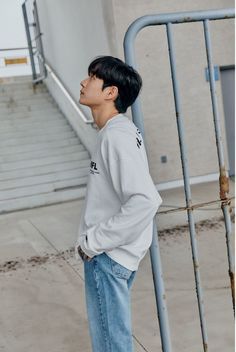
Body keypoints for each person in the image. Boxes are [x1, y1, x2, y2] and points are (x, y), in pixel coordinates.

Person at [75, 56, 162, 352]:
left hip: (107, 257)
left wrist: (93, 243)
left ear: (111, 92)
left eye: (92, 78)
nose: (84, 82)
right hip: (112, 255)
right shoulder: (116, 132)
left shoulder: (117, 135)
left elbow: (145, 200)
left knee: (112, 346)